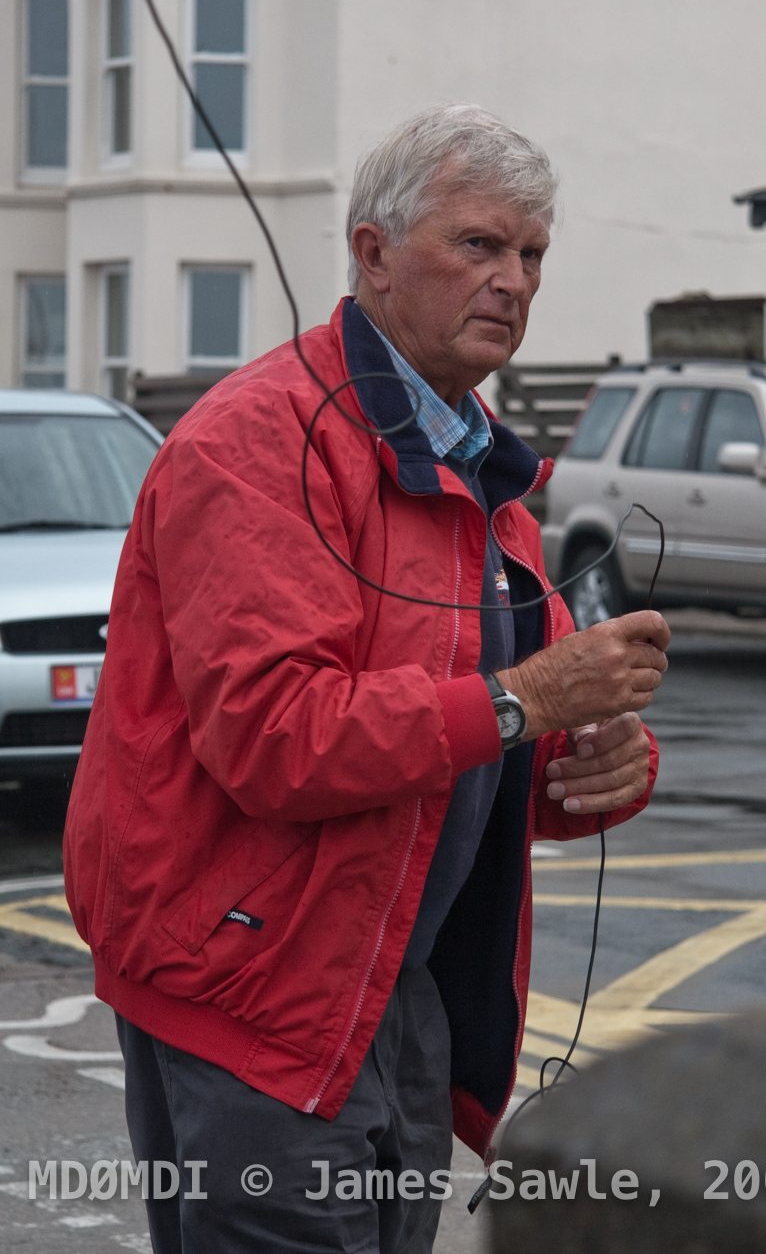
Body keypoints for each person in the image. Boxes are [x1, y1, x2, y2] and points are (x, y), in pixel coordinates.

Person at [64, 104, 670, 1254]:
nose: (512, 281)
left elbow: (491, 758)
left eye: (531, 254)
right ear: (373, 252)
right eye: (478, 245)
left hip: (398, 981)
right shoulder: (259, 441)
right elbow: (275, 740)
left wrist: (597, 762)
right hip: (251, 988)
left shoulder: (474, 464)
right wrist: (530, 699)